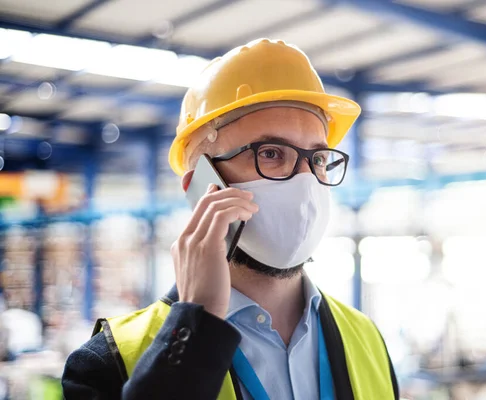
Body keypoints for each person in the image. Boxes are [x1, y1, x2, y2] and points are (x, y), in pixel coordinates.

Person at [62, 38, 399, 399]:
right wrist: (196, 329)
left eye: (317, 159)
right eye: (271, 153)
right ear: (201, 185)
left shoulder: (367, 338)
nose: (305, 181)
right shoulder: (108, 362)